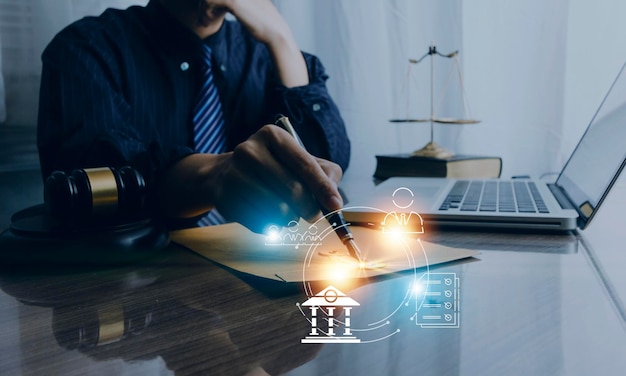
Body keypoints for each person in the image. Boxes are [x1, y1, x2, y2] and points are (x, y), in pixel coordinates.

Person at [37, 0, 350, 232]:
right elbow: (84, 180)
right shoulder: (86, 48)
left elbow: (325, 173)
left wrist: (282, 39)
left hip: (263, 277)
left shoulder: (268, 54)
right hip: (134, 288)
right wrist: (212, 177)